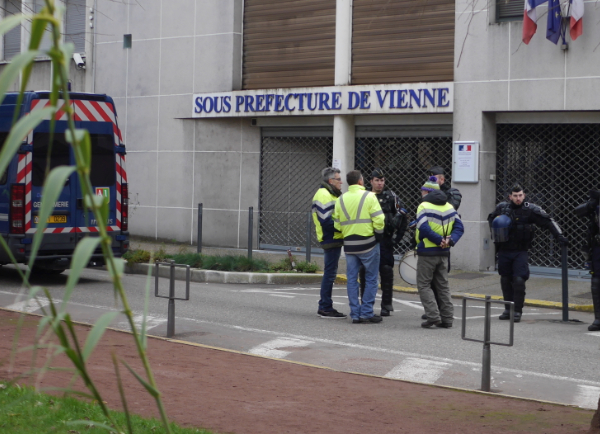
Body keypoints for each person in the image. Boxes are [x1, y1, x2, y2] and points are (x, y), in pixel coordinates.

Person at [488, 184, 568, 323]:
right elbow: (491, 219)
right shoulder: (502, 208)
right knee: (505, 279)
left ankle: (517, 310)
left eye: (520, 195)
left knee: (519, 280)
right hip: (504, 250)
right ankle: (508, 309)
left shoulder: (530, 210)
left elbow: (548, 221)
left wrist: (559, 236)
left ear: (524, 195)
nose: (518, 198)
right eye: (515, 196)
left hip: (520, 251)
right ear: (510, 197)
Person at [333, 170, 385, 324]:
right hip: (368, 243)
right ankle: (367, 312)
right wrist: (379, 235)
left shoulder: (340, 199)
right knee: (371, 278)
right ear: (361, 181)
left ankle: (355, 314)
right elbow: (379, 219)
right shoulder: (370, 196)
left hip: (349, 245)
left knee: (351, 279)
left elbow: (336, 224)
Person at [415, 176, 464, 328]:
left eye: (423, 190)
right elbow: (459, 227)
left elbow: (424, 227)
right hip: (444, 253)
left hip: (428, 252)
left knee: (423, 285)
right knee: (442, 285)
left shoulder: (423, 206)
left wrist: (437, 240)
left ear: (427, 192)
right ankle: (447, 318)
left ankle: (433, 316)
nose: (422, 193)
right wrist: (449, 241)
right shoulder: (449, 206)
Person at [359, 168, 408, 316]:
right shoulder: (365, 196)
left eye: (382, 180)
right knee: (365, 271)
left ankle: (386, 304)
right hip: (369, 239)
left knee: (386, 271)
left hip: (386, 240)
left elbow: (403, 215)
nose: (380, 183)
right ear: (371, 181)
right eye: (377, 180)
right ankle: (366, 304)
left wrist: (397, 239)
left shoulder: (391, 196)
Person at [312, 167, 346, 319]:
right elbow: (326, 221)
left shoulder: (330, 194)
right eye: (339, 179)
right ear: (331, 181)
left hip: (333, 237)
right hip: (330, 237)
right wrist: (343, 228)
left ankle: (325, 305)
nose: (341, 182)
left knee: (330, 273)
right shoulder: (324, 195)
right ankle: (325, 306)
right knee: (330, 274)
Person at [574, 189, 600, 331]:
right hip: (597, 247)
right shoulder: (597, 202)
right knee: (596, 282)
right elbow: (578, 212)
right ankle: (598, 318)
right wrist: (593, 202)